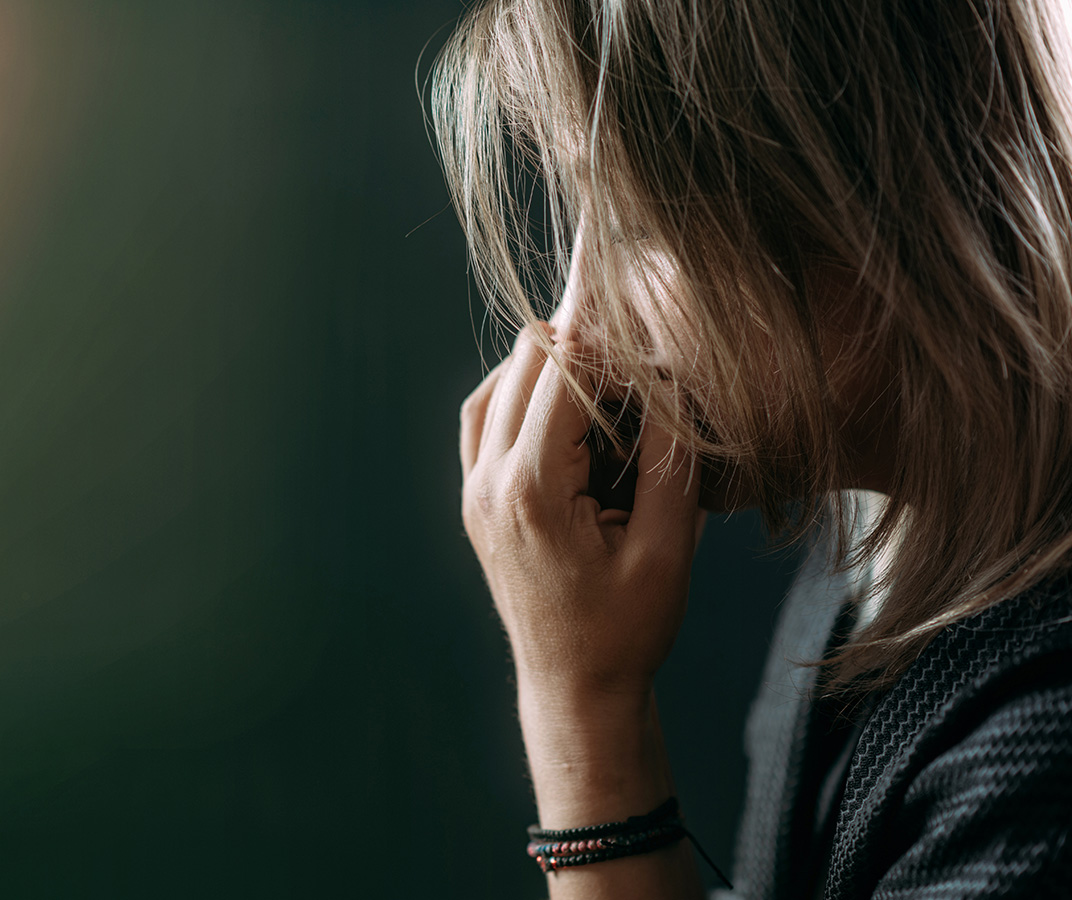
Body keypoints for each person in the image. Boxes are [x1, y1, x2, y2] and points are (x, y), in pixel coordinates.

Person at [430, 0, 1072, 897]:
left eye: (637, 227)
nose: (578, 332)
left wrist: (587, 721)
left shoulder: (1039, 765)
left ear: (872, 199)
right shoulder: (878, 539)